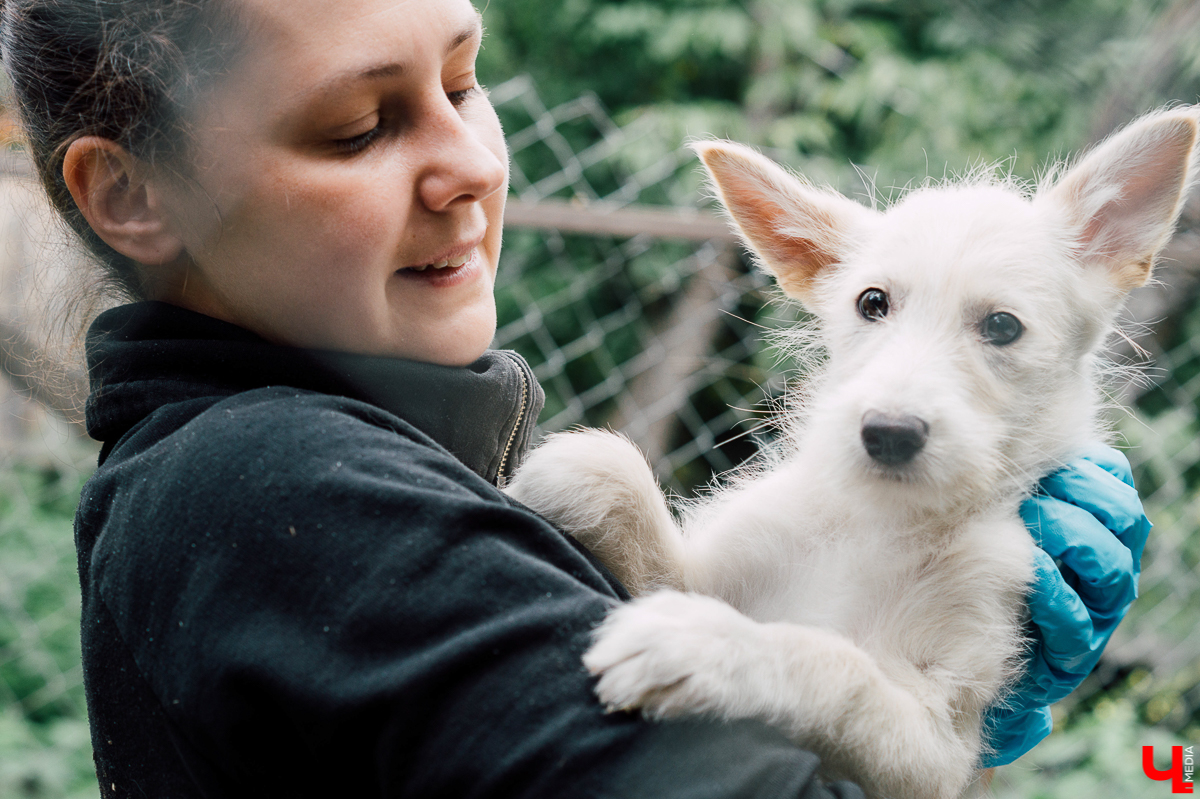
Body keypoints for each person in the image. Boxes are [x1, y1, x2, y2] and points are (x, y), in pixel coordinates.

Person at [0, 0, 1149, 796]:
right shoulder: (266, 491)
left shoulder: (331, 462)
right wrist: (838, 694)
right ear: (131, 194)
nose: (478, 163)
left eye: (464, 79)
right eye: (358, 127)